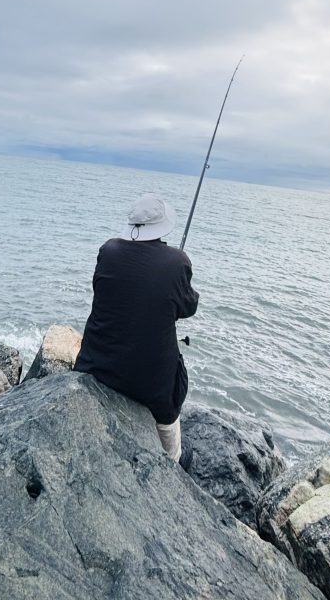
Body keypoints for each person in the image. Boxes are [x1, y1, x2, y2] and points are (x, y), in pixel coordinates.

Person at [74, 193, 199, 468]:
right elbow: (189, 306)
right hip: (150, 384)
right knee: (170, 402)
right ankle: (174, 457)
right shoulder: (177, 262)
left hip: (96, 365)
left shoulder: (108, 251)